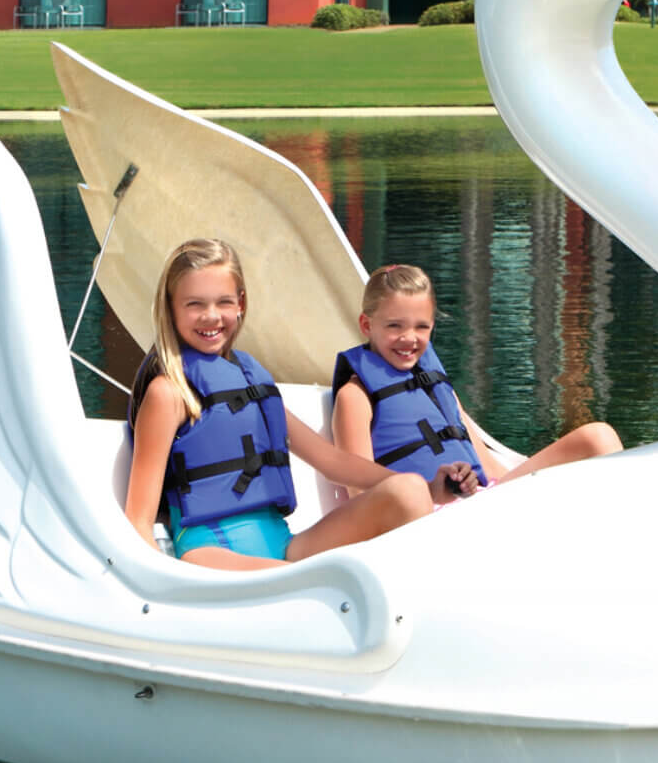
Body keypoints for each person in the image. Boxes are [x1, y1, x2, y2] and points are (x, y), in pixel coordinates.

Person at [126, 239, 444, 570]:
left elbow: (332, 461)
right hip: (211, 553)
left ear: (241, 303)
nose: (211, 316)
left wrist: (429, 488)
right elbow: (138, 519)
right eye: (194, 304)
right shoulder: (169, 393)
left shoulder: (251, 381)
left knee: (407, 491)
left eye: (223, 302)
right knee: (328, 579)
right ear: (171, 307)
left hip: (283, 544)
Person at [332, 264, 622, 499]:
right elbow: (361, 495)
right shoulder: (354, 397)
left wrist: (495, 486)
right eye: (394, 325)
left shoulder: (433, 385)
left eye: (422, 327)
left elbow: (483, 461)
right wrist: (433, 493)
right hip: (425, 519)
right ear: (367, 325)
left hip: (483, 500)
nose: (409, 338)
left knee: (598, 437)